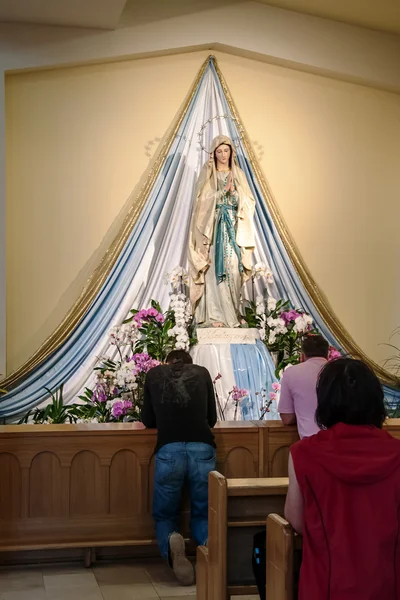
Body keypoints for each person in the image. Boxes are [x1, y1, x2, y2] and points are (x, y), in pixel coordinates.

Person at [285, 358, 400, 600]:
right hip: (387, 581)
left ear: (325, 401)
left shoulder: (303, 452)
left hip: (327, 584)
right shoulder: (396, 452)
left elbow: (296, 519)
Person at [141, 349, 217, 586]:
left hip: (169, 448)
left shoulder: (154, 374)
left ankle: (172, 541)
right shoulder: (202, 373)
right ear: (189, 364)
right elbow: (211, 418)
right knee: (204, 510)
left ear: (167, 362)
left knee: (165, 513)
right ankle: (207, 549)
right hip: (202, 448)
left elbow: (147, 420)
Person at [188, 135, 256, 328]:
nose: (223, 155)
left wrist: (235, 195)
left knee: (233, 270)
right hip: (214, 230)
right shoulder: (208, 174)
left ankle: (233, 313)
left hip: (233, 229)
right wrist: (221, 192)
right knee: (213, 270)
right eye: (219, 151)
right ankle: (215, 316)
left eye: (226, 150)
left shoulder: (239, 174)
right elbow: (200, 204)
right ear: (213, 154)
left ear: (231, 152)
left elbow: (249, 202)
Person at [279, 334, 329, 438]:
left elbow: (287, 419)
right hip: (342, 444)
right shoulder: (340, 371)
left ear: (302, 355)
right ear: (327, 354)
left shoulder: (291, 373)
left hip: (310, 445)